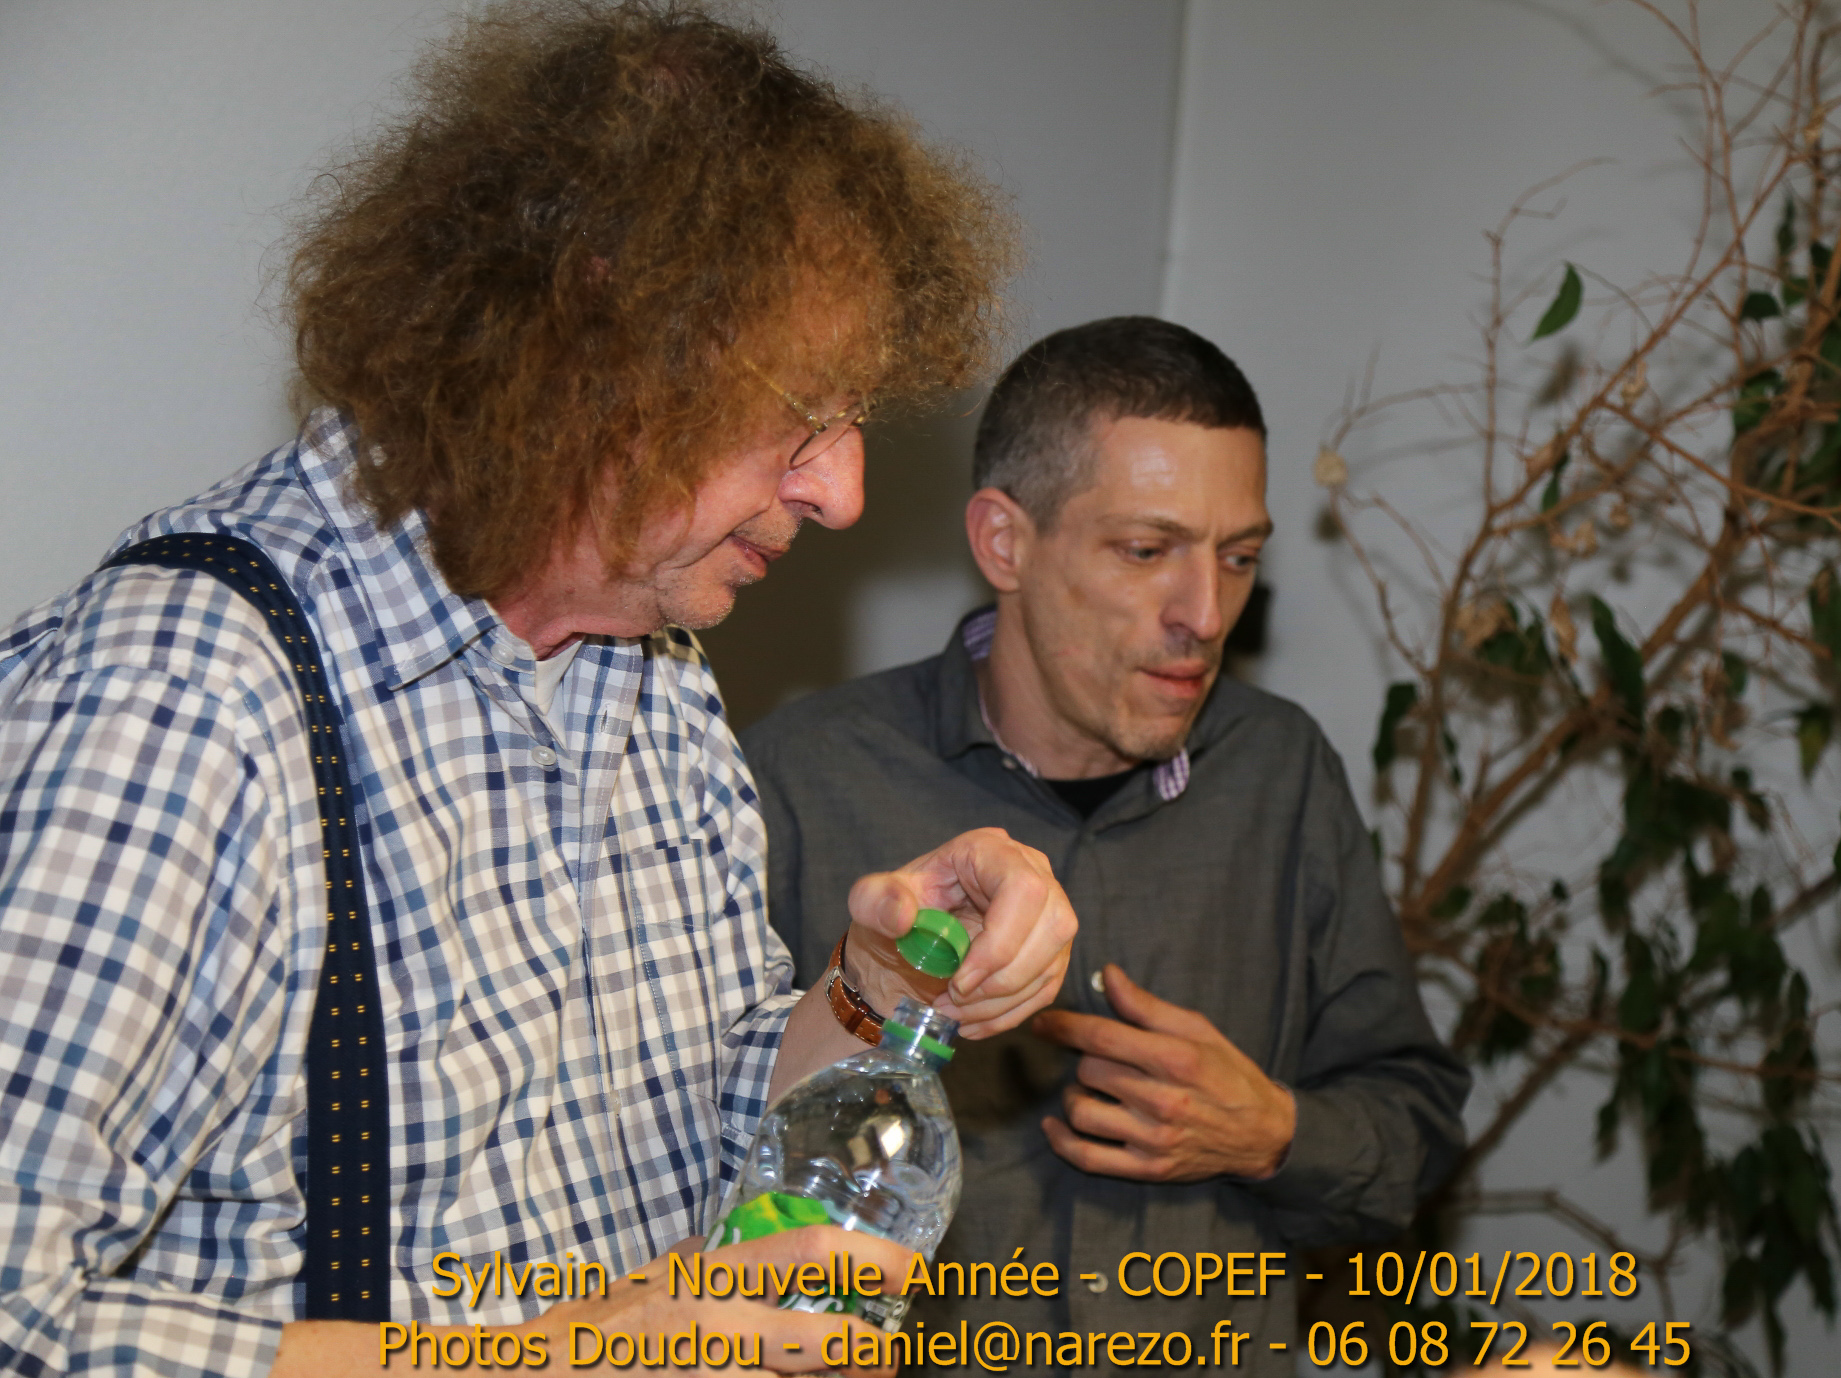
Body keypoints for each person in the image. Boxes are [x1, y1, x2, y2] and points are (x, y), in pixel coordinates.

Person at [0, 5, 1078, 1375]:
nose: (842, 489)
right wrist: (551, 1351)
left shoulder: (647, 666)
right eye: (805, 411)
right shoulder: (183, 701)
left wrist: (872, 991)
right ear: (599, 341)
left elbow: (691, 1117)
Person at [744, 316, 1471, 1367]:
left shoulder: (1282, 773)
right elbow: (691, 1152)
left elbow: (1418, 1130)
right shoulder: (798, 781)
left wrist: (1274, 1132)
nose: (1204, 613)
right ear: (1005, 542)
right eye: (1146, 550)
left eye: (1239, 557)